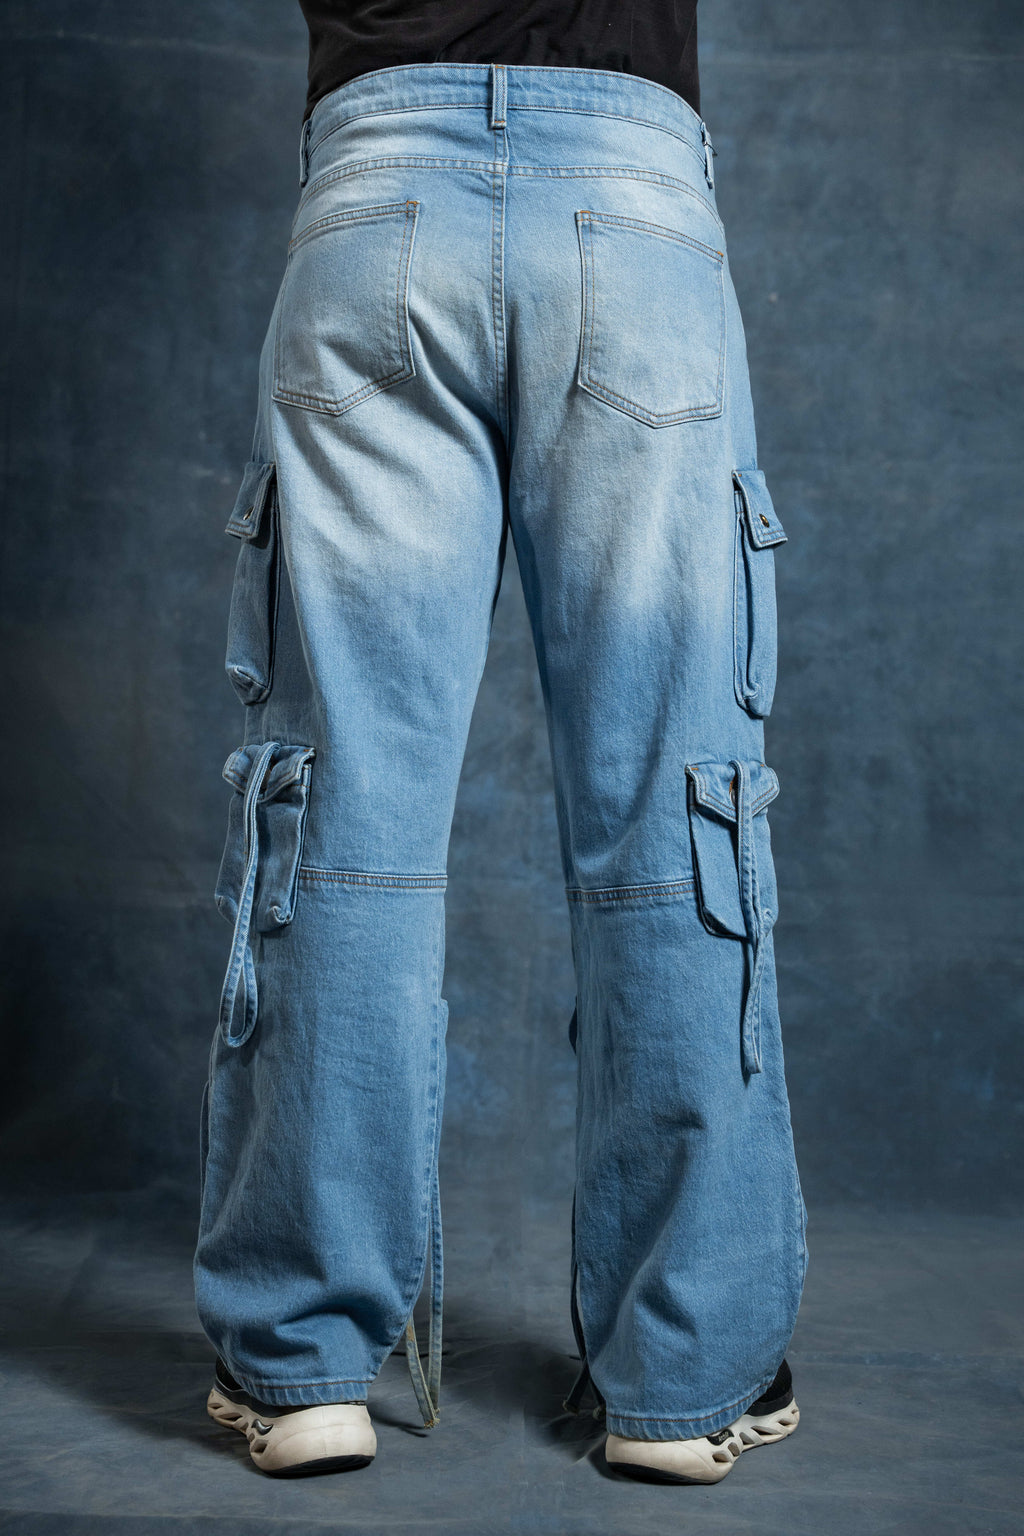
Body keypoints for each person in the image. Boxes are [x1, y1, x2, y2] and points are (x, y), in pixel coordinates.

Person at [194, 0, 809, 1486]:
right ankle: (683, 1380)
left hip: (376, 196)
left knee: (342, 807)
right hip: (634, 199)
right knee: (676, 802)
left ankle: (303, 1366)